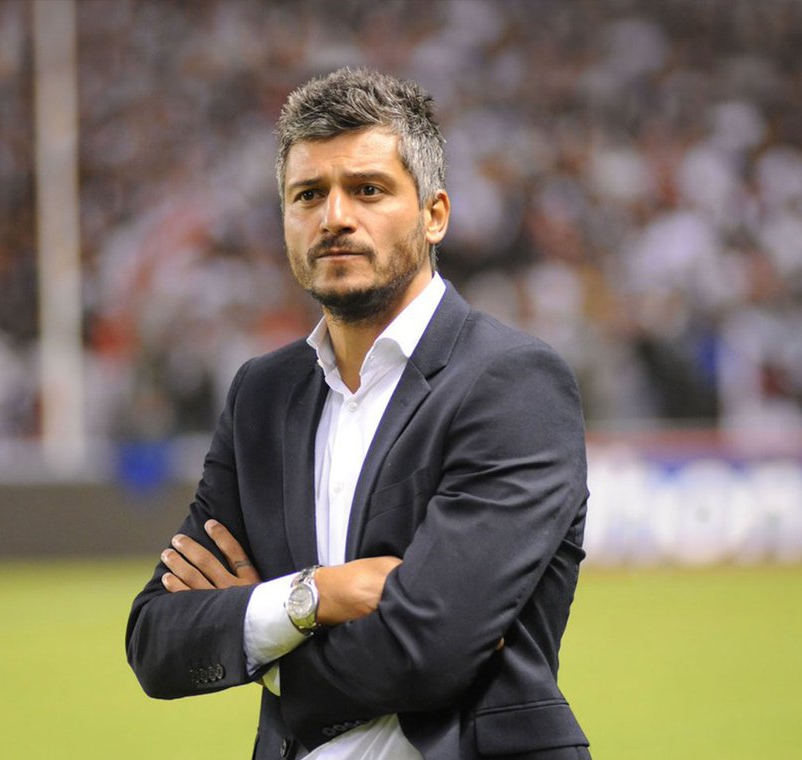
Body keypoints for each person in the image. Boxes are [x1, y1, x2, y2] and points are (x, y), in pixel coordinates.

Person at [126, 66, 591, 760]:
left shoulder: (512, 382)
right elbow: (157, 641)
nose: (335, 217)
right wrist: (316, 595)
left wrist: (261, 641)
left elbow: (428, 648)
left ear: (435, 214)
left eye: (368, 190)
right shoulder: (261, 396)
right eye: (308, 194)